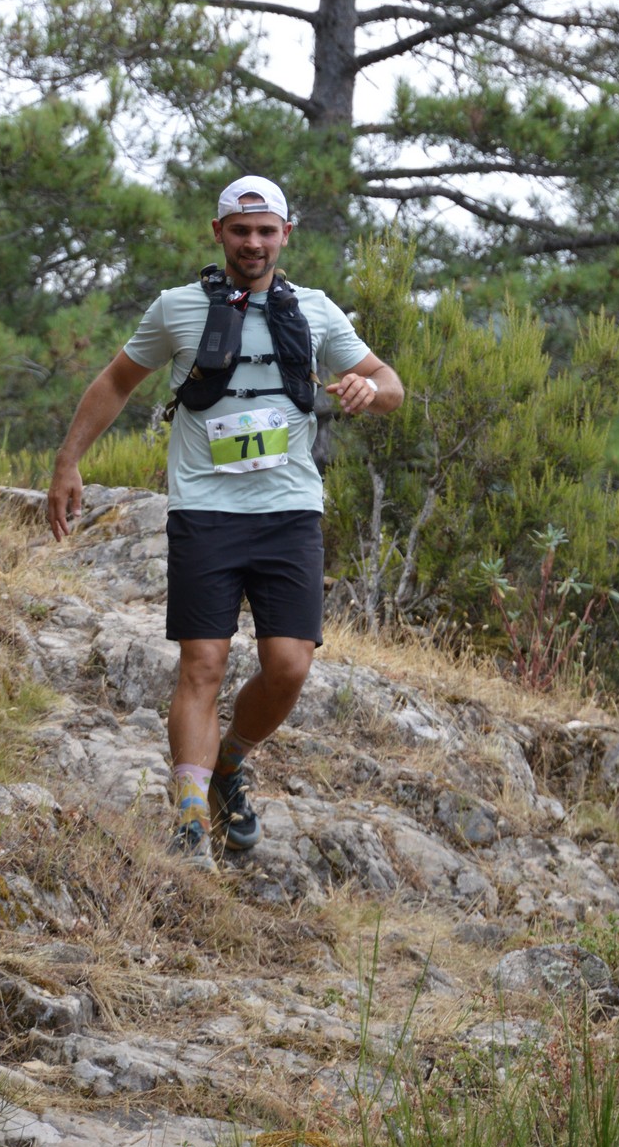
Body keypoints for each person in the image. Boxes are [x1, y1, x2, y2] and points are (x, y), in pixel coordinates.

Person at [47, 175, 403, 869]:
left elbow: (390, 383)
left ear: (285, 235)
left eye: (266, 231)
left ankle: (230, 762)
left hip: (289, 513)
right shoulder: (177, 308)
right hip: (205, 511)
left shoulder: (317, 311)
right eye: (240, 231)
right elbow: (116, 381)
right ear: (219, 234)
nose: (253, 243)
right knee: (203, 663)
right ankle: (188, 821)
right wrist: (68, 462)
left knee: (289, 666)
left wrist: (370, 387)